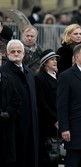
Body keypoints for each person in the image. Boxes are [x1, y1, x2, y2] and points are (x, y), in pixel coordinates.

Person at [1, 39, 39, 167]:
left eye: (19, 51)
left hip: (31, 124)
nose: (16, 54)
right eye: (13, 51)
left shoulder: (29, 73)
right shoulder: (4, 73)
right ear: (7, 54)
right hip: (13, 125)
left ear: (24, 54)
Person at [35, 49, 60, 167]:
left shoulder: (59, 76)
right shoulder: (40, 78)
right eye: (52, 59)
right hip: (49, 123)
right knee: (49, 156)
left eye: (55, 59)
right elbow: (42, 102)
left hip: (61, 120)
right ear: (45, 62)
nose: (55, 62)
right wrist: (54, 119)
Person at [0, 66, 20, 167]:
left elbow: (16, 100)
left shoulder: (9, 78)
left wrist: (8, 113)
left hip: (7, 127)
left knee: (7, 160)